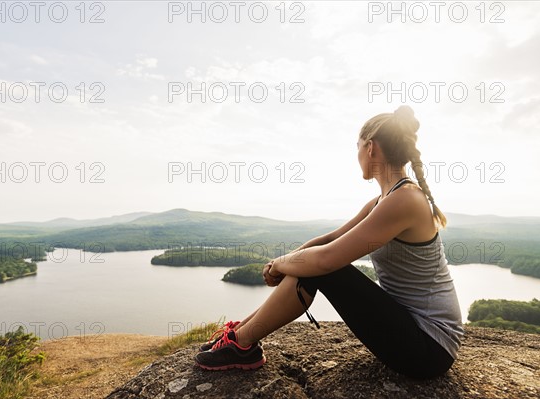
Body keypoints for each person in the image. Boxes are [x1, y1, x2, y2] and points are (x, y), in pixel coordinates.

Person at [194, 105, 464, 379]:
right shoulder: (382, 201)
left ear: (370, 148)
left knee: (325, 269)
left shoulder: (405, 199)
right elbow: (330, 239)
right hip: (409, 332)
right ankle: (240, 336)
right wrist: (284, 262)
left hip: (429, 348)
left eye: (357, 146)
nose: (356, 154)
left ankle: (241, 345)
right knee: (310, 262)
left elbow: (326, 260)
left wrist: (280, 265)